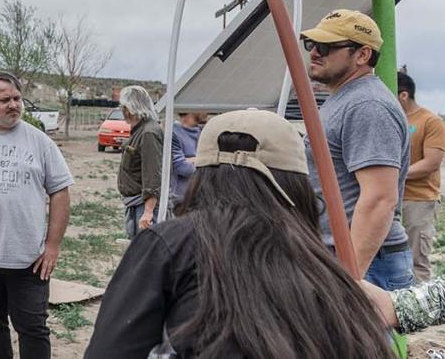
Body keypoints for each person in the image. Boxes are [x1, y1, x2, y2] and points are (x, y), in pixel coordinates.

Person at [85, 109, 396, 359]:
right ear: (298, 185)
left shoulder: (169, 245)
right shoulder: (323, 267)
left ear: (202, 176)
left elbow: (111, 349)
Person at [0, 71, 73, 359]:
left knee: (33, 328)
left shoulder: (39, 141)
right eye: (4, 99)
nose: (13, 105)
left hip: (30, 260)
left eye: (17, 98)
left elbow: (60, 191)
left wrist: (53, 246)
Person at [301, 9, 412, 290]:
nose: (314, 53)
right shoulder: (346, 100)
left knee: (360, 336)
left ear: (362, 55)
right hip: (349, 257)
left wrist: (348, 280)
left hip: (366, 261)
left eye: (325, 47)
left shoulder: (367, 106)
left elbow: (379, 199)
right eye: (311, 45)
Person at [396, 71, 445, 283]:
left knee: (416, 259)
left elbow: (431, 163)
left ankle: (422, 309)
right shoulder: (392, 118)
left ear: (403, 95)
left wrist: (393, 175)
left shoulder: (430, 121)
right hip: (392, 199)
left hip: (419, 201)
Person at [115, 85, 163, 237]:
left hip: (144, 206)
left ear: (130, 108)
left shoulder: (148, 132)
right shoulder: (140, 129)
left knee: (146, 253)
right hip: (137, 204)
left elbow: (152, 173)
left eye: (123, 107)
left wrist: (148, 212)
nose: (122, 111)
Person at [170, 112, 201, 205]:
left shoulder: (202, 131)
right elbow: (182, 167)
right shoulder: (173, 133)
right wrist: (204, 160)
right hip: (181, 200)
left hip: (200, 197)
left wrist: (191, 160)